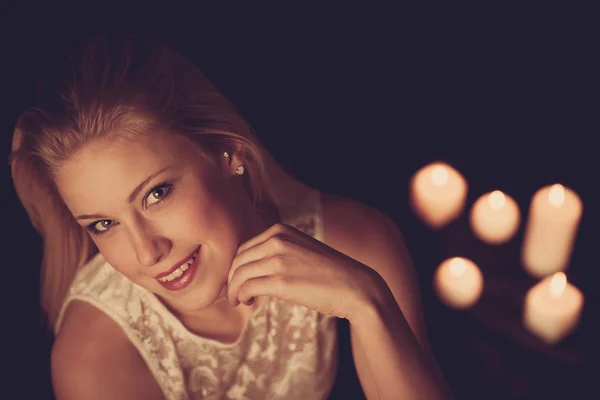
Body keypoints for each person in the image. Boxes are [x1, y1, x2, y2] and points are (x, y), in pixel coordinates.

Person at [9, 34, 453, 400]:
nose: (147, 252)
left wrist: (367, 301)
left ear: (228, 153)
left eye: (157, 194)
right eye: (103, 225)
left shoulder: (357, 240)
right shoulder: (94, 357)